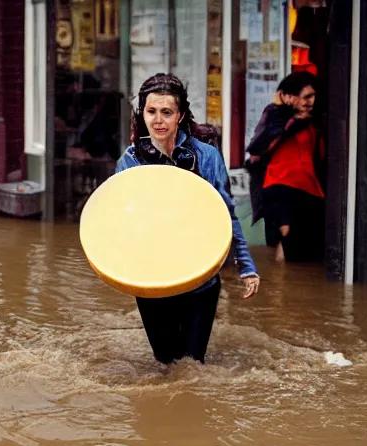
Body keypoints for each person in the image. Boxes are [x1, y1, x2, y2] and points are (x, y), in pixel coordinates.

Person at [115, 73, 260, 365]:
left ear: (180, 115)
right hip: (152, 279)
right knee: (166, 363)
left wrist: (246, 266)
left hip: (201, 277)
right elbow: (120, 222)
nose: (158, 120)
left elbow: (225, 214)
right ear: (142, 113)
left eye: (166, 112)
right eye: (151, 111)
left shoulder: (206, 157)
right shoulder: (129, 162)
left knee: (193, 366)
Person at [246, 71, 325, 263]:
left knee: (303, 245)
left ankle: (285, 283)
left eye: (313, 96)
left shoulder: (313, 123)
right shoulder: (276, 115)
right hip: (281, 186)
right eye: (306, 96)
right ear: (290, 97)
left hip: (310, 189)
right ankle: (280, 285)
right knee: (286, 237)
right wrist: (289, 121)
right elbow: (258, 148)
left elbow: (320, 155)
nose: (311, 101)